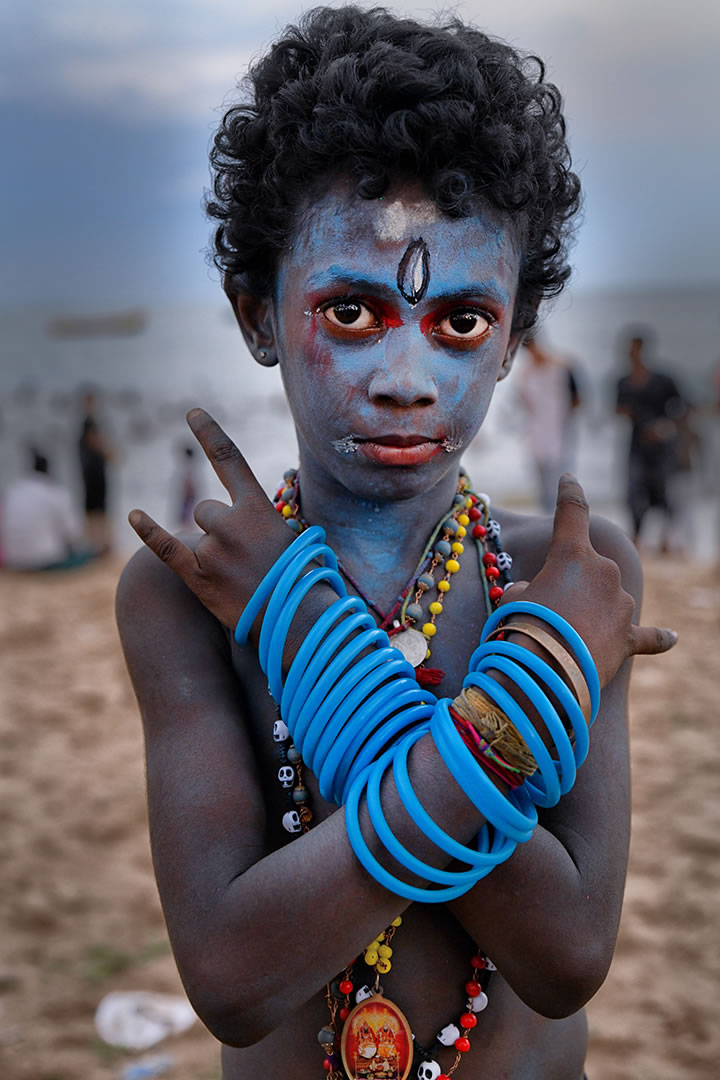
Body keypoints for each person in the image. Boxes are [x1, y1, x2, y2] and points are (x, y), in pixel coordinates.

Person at [116, 9, 677, 1079]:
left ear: (513, 338)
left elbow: (564, 955)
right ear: (258, 316)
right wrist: (527, 699)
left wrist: (303, 627)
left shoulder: (566, 573)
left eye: (461, 321)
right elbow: (234, 979)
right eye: (353, 312)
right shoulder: (182, 596)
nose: (408, 377)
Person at [615, 333, 685, 551]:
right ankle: (637, 538)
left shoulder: (663, 380)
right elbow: (618, 409)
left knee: (662, 490)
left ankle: (666, 538)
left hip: (661, 445)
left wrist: (665, 428)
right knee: (635, 492)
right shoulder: (623, 382)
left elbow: (682, 407)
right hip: (637, 444)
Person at [518, 337, 582, 513]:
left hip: (560, 429)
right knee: (542, 481)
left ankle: (564, 518)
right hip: (538, 431)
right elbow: (524, 402)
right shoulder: (527, 373)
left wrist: (565, 420)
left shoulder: (562, 366)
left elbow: (577, 400)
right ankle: (547, 522)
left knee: (562, 478)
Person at [1, 449, 88, 570]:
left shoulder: (14, 490)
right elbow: (73, 534)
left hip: (13, 560)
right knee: (88, 554)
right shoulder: (54, 492)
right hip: (44, 561)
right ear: (48, 470)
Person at [77, 390, 111, 553]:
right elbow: (94, 443)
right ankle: (98, 545)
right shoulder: (88, 423)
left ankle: (97, 544)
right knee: (97, 510)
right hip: (93, 474)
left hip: (92, 473)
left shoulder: (88, 423)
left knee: (95, 510)